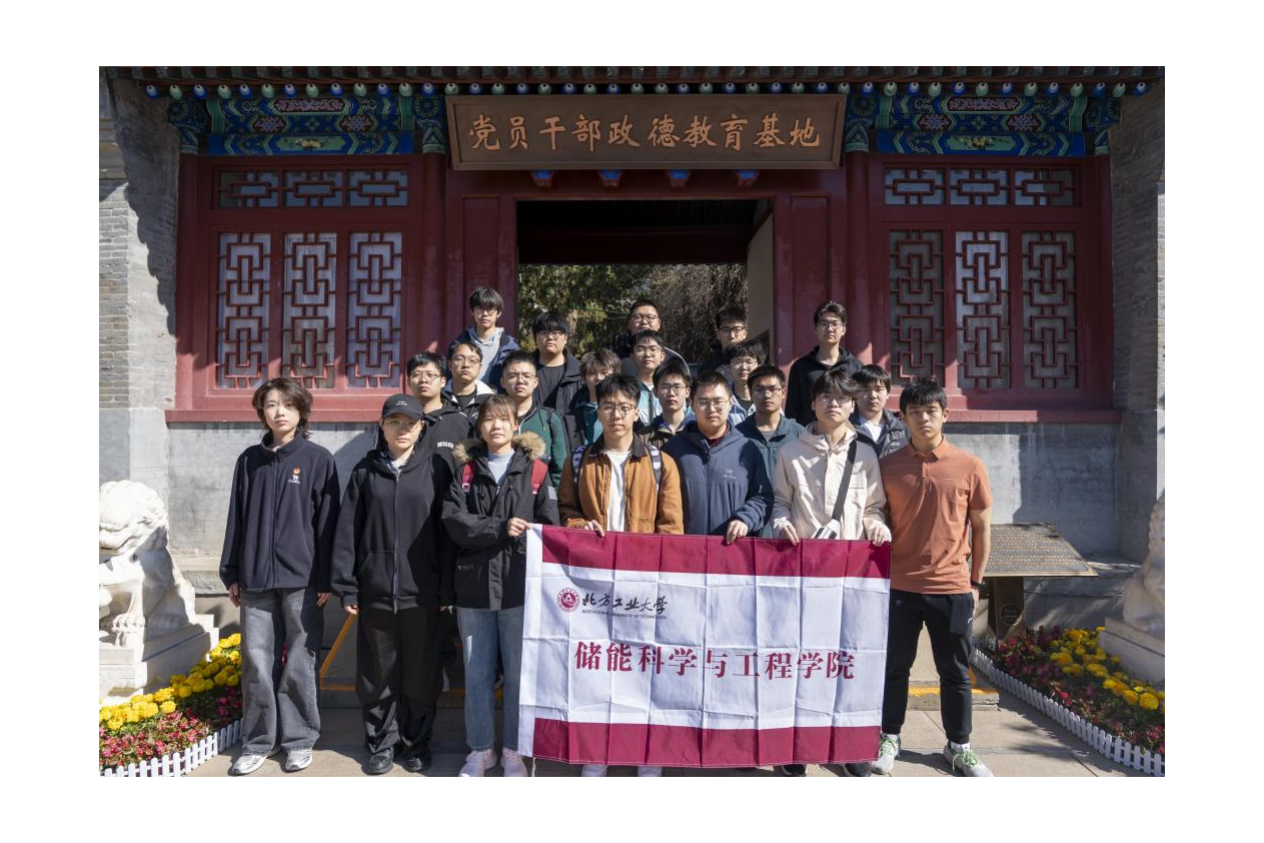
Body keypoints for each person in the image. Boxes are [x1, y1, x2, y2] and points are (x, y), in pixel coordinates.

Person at [558, 374, 684, 778]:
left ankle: (647, 753)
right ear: (598, 411)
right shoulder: (580, 459)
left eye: (624, 407)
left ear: (637, 413)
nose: (616, 415)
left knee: (645, 667)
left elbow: (671, 527)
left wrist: (658, 576)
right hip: (595, 583)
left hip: (644, 583)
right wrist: (581, 526)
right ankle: (599, 750)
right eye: (608, 406)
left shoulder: (660, 463)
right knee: (599, 669)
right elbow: (565, 511)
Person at [770, 369, 890, 777]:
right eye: (825, 396)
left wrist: (876, 525)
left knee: (847, 660)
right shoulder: (790, 452)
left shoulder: (865, 455)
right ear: (813, 404)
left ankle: (848, 747)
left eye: (840, 398)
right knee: (802, 661)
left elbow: (874, 507)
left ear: (852, 405)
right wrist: (780, 523)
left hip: (850, 577)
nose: (832, 403)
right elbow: (780, 502)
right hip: (803, 574)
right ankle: (796, 748)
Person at [875, 377, 994, 777]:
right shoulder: (887, 467)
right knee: (894, 668)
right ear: (903, 417)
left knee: (955, 673)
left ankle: (959, 746)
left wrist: (975, 583)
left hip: (952, 587)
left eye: (931, 411)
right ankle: (888, 737)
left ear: (946, 414)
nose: (923, 418)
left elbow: (982, 528)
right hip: (899, 586)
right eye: (915, 412)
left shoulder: (969, 466)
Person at [331, 394, 455, 775]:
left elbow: (448, 534)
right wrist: (347, 585)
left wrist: (447, 589)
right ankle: (381, 742)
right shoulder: (365, 471)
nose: (402, 429)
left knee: (421, 673)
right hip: (377, 592)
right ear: (382, 427)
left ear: (421, 428)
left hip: (424, 594)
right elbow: (347, 533)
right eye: (394, 422)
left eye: (409, 423)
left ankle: (416, 741)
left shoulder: (436, 468)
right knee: (377, 674)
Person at [222, 377, 340, 776]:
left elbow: (328, 525)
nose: (279, 412)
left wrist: (326, 578)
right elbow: (236, 518)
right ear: (262, 411)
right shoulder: (248, 461)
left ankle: (299, 740)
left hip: (302, 580)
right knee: (256, 663)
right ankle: (257, 742)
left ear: (301, 411)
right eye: (271, 404)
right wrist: (232, 571)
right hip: (255, 578)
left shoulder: (318, 459)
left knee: (300, 663)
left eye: (288, 405)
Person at [443, 395, 560, 777]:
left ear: (515, 425)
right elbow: (453, 520)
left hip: (519, 587)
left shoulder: (536, 471)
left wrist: (525, 534)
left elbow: (550, 527)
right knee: (476, 674)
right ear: (479, 426)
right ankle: (480, 750)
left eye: (503, 418)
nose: (496, 425)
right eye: (489, 419)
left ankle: (513, 750)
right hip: (474, 587)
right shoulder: (465, 471)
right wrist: (499, 528)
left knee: (518, 676)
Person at [662, 371, 771, 543]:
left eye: (718, 402)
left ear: (730, 403)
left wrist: (745, 519)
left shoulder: (747, 450)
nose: (712, 409)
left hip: (732, 548)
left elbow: (762, 497)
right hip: (685, 549)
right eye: (703, 402)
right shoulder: (673, 450)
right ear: (691, 404)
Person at [735, 364, 804, 538]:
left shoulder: (799, 434)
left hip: (791, 527)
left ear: (783, 392)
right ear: (750, 393)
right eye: (759, 389)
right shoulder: (737, 435)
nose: (766, 395)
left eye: (773, 389)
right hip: (749, 527)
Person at [785, 301, 863, 426]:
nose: (830, 329)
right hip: (809, 435)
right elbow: (792, 411)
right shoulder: (801, 367)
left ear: (843, 329)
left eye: (835, 324)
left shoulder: (856, 367)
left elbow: (861, 408)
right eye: (824, 324)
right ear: (816, 329)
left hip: (847, 434)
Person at [500, 351, 568, 490]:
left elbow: (560, 469)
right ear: (503, 382)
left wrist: (551, 497)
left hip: (539, 496)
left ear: (535, 382)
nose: (520, 381)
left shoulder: (550, 419)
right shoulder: (491, 419)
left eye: (526, 376)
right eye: (513, 376)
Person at [407, 351, 473, 471]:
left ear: (443, 381)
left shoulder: (461, 422)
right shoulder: (399, 419)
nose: (423, 380)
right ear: (409, 382)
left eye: (430, 375)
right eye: (416, 374)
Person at [531, 311, 584, 451]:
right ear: (536, 337)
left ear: (565, 337)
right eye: (543, 332)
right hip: (532, 443)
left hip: (570, 445)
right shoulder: (523, 373)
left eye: (556, 332)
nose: (550, 337)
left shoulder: (580, 374)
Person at [448, 285, 519, 387]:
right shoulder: (458, 344)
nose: (485, 314)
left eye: (490, 309)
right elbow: (449, 376)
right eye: (480, 308)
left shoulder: (510, 346)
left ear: (498, 313)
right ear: (472, 311)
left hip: (499, 396)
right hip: (465, 395)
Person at [850, 364, 909, 459]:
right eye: (866, 389)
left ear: (887, 393)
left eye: (878, 389)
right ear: (854, 393)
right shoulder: (845, 428)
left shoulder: (902, 428)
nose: (873, 395)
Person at [567, 349, 620, 448]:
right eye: (592, 373)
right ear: (584, 378)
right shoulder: (571, 417)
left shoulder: (624, 411)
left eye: (604, 373)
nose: (599, 378)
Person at [640, 357, 694, 449]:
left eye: (677, 387)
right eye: (665, 387)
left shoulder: (699, 431)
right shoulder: (643, 437)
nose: (671, 393)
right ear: (655, 392)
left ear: (687, 392)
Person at [444, 340, 496, 422]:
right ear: (450, 365)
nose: (466, 365)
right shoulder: (439, 397)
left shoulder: (491, 400)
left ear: (479, 367)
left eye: (472, 361)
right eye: (459, 359)